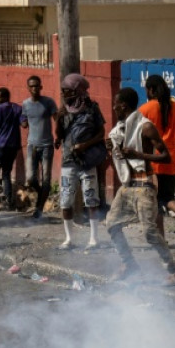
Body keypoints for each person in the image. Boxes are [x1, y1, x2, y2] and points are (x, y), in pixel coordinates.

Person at [106, 88, 175, 286]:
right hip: (127, 185)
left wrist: (139, 155)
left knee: (150, 232)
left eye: (116, 103)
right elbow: (122, 158)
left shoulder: (145, 127)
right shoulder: (120, 130)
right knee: (112, 225)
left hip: (144, 185)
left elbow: (165, 156)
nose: (114, 106)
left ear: (123, 105)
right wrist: (112, 149)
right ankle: (129, 264)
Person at [55, 73, 107, 251]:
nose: (64, 93)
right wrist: (58, 119)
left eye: (67, 90)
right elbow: (59, 136)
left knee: (91, 200)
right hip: (68, 161)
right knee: (66, 201)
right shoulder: (64, 109)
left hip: (87, 161)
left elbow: (101, 133)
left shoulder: (92, 108)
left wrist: (85, 145)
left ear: (77, 90)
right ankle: (69, 238)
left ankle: (94, 239)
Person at [139, 74, 175, 241]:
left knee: (155, 204)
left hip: (153, 162)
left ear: (152, 90)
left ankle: (161, 240)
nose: (146, 93)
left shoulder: (145, 109)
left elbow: (138, 135)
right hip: (172, 161)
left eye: (147, 89)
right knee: (168, 197)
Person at [20, 75, 58, 219]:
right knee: (30, 178)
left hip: (47, 145)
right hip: (32, 146)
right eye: (32, 86)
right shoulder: (25, 104)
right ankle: (42, 193)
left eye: (37, 85)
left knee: (46, 178)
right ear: (28, 88)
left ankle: (39, 209)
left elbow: (56, 119)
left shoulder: (48, 102)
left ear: (41, 87)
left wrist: (59, 136)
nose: (35, 88)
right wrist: (23, 122)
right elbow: (23, 118)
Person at [0, 87, 24, 210]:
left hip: (0, 146)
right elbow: (23, 123)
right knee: (6, 174)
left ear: (5, 97)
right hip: (13, 146)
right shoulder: (17, 108)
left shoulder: (0, 108)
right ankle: (8, 201)